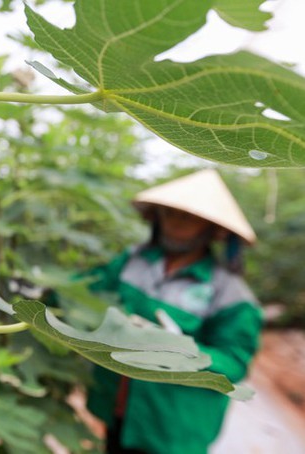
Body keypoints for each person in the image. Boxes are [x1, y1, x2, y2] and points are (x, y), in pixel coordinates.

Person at [83, 169, 263, 454]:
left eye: (188, 218)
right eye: (170, 214)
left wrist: (183, 348)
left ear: (211, 228)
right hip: (120, 404)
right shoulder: (133, 260)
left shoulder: (231, 294)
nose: (176, 224)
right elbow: (86, 289)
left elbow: (235, 362)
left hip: (172, 424)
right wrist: (42, 286)